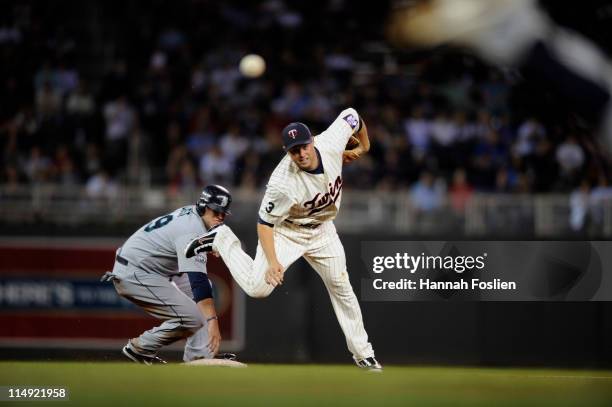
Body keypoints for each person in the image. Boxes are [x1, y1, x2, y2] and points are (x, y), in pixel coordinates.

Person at [185, 108, 382, 370]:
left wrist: (364, 147)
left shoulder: (332, 141)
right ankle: (221, 238)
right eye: (294, 150)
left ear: (312, 140)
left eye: (303, 146)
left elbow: (353, 115)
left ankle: (364, 355)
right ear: (286, 151)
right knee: (258, 288)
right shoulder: (282, 182)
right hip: (286, 232)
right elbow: (264, 224)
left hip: (323, 230)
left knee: (342, 288)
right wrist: (274, 262)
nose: (301, 153)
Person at [101, 185, 232, 364]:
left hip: (150, 267)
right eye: (216, 212)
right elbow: (198, 283)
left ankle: (200, 359)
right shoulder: (192, 230)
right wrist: (213, 321)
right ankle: (141, 348)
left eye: (223, 213)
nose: (220, 217)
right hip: (136, 272)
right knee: (194, 315)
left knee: (201, 301)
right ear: (203, 206)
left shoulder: (195, 216)